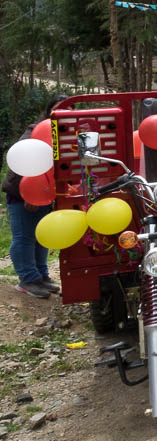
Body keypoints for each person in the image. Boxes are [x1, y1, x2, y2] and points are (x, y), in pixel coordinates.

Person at [2, 95, 67, 299]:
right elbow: (25, 161)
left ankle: (41, 276)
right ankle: (28, 279)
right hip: (22, 193)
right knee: (25, 236)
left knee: (41, 236)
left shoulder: (66, 134)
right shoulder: (36, 130)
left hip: (45, 193)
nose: (61, 114)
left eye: (67, 109)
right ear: (48, 111)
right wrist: (31, 193)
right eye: (57, 109)